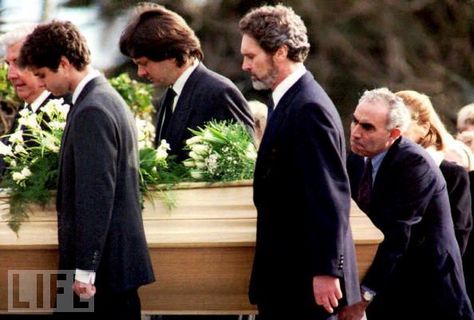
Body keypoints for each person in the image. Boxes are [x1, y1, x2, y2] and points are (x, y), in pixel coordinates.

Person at [18, 20, 155, 319]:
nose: (40, 83)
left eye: (42, 74)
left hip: (97, 274)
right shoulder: (105, 100)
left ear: (64, 64)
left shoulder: (92, 109)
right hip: (106, 270)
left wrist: (85, 269)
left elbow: (96, 194)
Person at [239, 4, 360, 319]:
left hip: (306, 284)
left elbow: (329, 193)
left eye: (251, 56)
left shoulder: (308, 108)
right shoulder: (289, 102)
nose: (244, 65)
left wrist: (326, 270)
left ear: (280, 52)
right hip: (289, 279)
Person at [342, 87, 473, 320]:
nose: (355, 132)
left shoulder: (414, 164)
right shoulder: (357, 158)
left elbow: (396, 234)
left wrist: (363, 296)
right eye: (355, 121)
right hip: (392, 288)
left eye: (367, 127)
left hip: (430, 295)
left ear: (393, 134)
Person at [119, 2, 254, 162]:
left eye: (144, 63)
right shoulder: (170, 95)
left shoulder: (219, 93)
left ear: (168, 52)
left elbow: (245, 165)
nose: (141, 73)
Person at [396, 89, 472, 255]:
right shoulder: (373, 164)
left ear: (424, 127)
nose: (396, 132)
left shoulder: (451, 168)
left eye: (402, 125)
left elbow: (457, 235)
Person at [0, 24, 70, 175]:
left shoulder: (66, 111)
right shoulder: (25, 110)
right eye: (8, 64)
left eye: (19, 62)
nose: (10, 75)